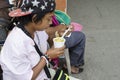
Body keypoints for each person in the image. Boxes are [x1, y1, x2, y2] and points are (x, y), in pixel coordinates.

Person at [0, 0, 66, 80]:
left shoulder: (37, 31)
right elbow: (27, 78)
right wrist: (47, 57)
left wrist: (58, 37)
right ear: (34, 19)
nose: (51, 22)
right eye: (48, 19)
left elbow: (47, 40)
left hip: (44, 74)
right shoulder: (17, 43)